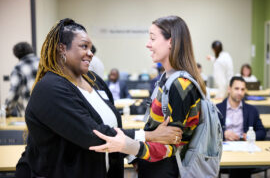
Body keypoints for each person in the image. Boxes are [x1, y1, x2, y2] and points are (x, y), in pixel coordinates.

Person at [16, 18, 182, 178]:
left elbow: (113, 124)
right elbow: (93, 134)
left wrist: (132, 157)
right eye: (83, 46)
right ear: (62, 48)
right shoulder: (49, 88)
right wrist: (149, 135)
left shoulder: (94, 80)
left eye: (90, 47)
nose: (90, 53)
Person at [90, 16, 206, 178]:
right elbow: (158, 131)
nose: (148, 44)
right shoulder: (167, 78)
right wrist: (139, 156)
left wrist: (130, 147)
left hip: (166, 167)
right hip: (154, 164)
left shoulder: (180, 85)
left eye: (152, 38)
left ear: (171, 42)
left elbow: (171, 144)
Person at [216, 76, 266, 178]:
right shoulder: (217, 109)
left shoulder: (252, 110)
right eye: (236, 88)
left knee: (242, 166)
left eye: (242, 89)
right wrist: (223, 133)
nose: (240, 92)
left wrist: (250, 135)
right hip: (223, 149)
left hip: (244, 149)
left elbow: (262, 132)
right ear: (229, 89)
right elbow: (209, 132)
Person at [4, 42, 39, 117]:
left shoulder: (18, 68)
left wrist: (4, 112)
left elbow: (13, 94)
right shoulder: (45, 62)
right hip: (50, 114)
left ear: (16, 54)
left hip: (32, 116)